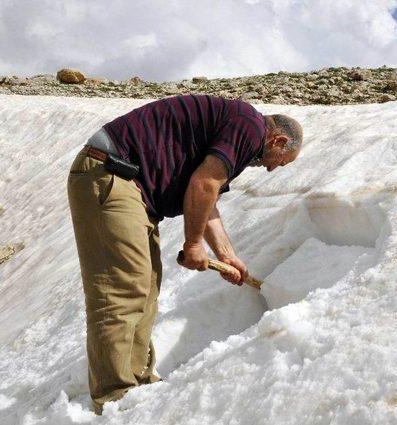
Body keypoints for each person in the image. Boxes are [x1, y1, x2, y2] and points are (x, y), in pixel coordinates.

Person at [66, 94, 302, 414]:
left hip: (130, 187)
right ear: (279, 140)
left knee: (145, 289)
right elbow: (203, 185)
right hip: (111, 174)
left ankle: (137, 382)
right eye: (281, 161)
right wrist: (193, 244)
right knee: (123, 289)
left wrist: (227, 256)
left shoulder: (240, 129)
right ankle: (114, 396)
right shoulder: (249, 126)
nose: (272, 169)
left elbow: (208, 199)